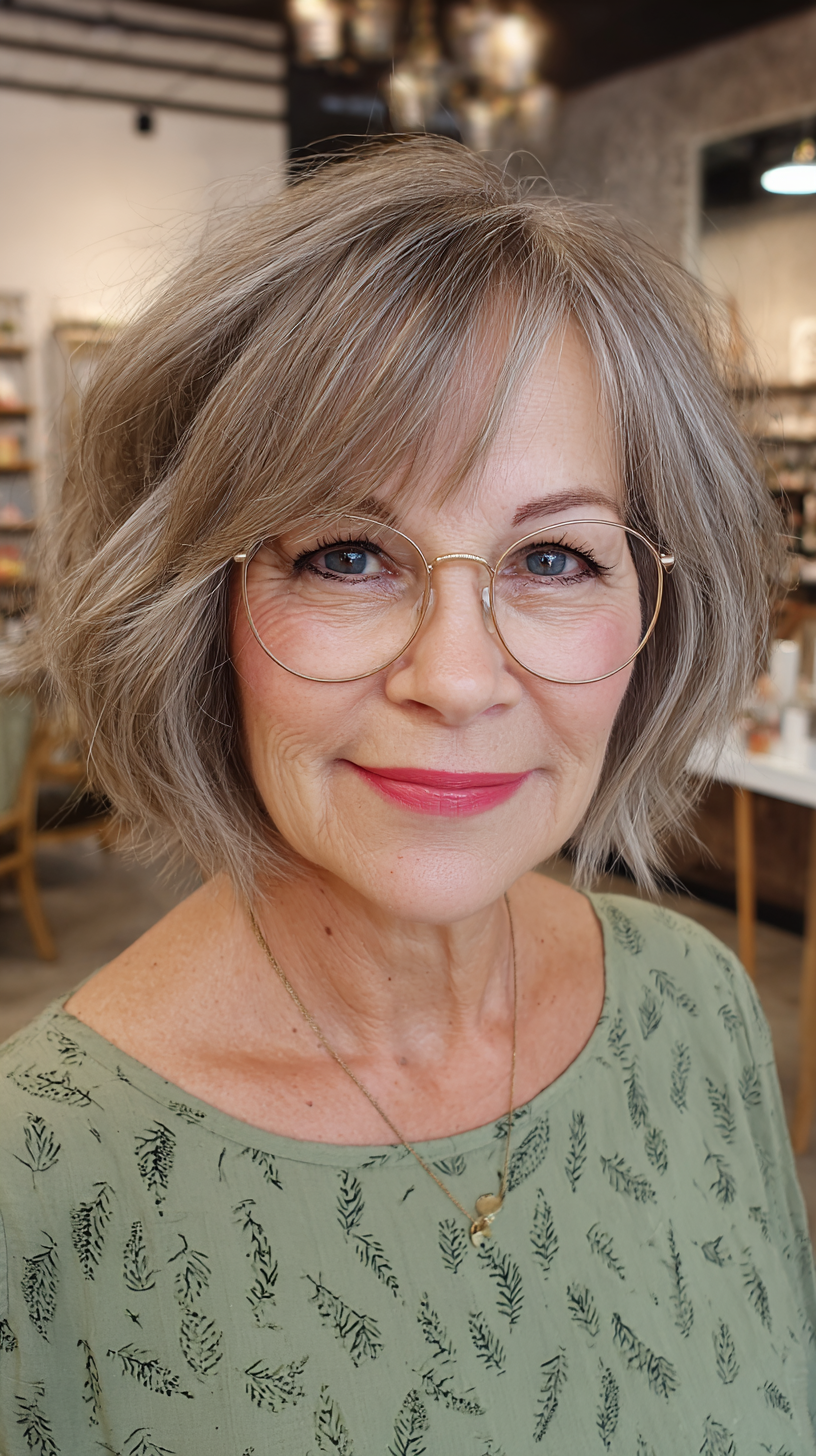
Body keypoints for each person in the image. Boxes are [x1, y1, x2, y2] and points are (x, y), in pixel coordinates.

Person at [1, 135, 813, 1456]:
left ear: (655, 615)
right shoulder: (37, 1183)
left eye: (553, 557)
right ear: (201, 609)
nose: (455, 678)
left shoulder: (699, 1011)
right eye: (346, 555)